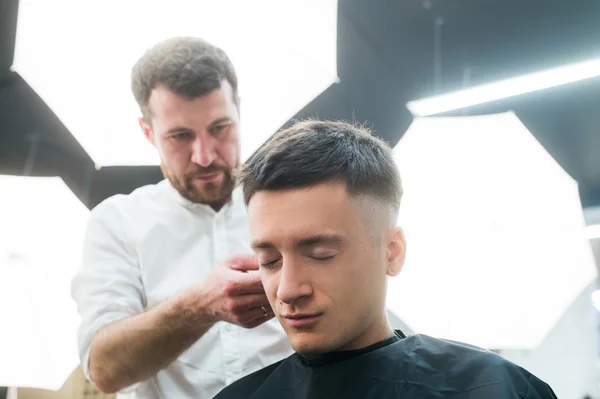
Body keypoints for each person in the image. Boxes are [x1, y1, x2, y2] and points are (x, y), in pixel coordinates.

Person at [214, 120, 558, 398]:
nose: (288, 290)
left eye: (321, 254)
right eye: (270, 260)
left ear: (391, 252)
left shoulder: (492, 388)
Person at [70, 37, 292, 399]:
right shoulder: (115, 223)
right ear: (148, 133)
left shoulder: (291, 204)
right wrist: (200, 305)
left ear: (240, 112)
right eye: (180, 136)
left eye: (220, 128)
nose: (204, 156)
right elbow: (104, 369)